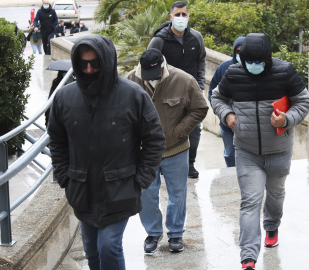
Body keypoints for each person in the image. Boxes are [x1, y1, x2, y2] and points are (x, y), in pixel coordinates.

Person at [47, 34, 166, 270]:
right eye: (83, 64)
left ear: (107, 62)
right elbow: (56, 140)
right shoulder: (64, 97)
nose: (89, 69)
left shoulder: (133, 95)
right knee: (92, 250)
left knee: (108, 245)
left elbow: (154, 139)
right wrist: (64, 176)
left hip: (120, 189)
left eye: (95, 63)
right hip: (82, 190)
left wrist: (141, 179)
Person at [211, 33, 309, 270]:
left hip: (278, 150)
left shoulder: (285, 72)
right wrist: (228, 115)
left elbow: (304, 103)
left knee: (275, 195)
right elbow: (217, 97)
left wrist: (286, 120)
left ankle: (272, 225)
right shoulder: (234, 74)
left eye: (258, 62)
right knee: (250, 201)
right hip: (246, 151)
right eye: (249, 61)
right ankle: (248, 259)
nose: (253, 66)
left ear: (267, 59)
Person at [127, 48, 208, 254]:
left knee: (177, 194)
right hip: (145, 152)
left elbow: (200, 108)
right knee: (146, 194)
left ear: (163, 66)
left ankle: (175, 234)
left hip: (176, 149)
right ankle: (153, 233)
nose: (152, 80)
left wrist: (180, 131)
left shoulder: (184, 80)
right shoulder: (130, 81)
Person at [147, 1, 206, 179]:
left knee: (193, 128)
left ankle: (190, 163)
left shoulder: (196, 38)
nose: (181, 18)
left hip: (190, 92)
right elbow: (149, 62)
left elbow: (201, 60)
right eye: (177, 15)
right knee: (165, 128)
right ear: (170, 17)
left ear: (188, 16)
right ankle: (163, 162)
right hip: (167, 93)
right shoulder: (159, 39)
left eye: (184, 15)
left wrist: (200, 83)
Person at [208, 36, 245, 168]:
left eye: (244, 51)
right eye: (238, 51)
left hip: (249, 126)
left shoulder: (255, 69)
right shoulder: (224, 68)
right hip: (228, 125)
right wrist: (225, 114)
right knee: (230, 154)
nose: (241, 54)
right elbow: (212, 94)